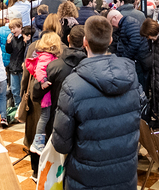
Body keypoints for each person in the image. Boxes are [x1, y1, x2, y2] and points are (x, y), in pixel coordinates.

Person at [51, 15, 141, 190]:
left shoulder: (72, 85)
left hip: (86, 177)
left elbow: (61, 143)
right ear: (110, 40)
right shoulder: (131, 77)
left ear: (85, 41)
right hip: (124, 175)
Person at [25, 31, 61, 153]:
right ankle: (37, 142)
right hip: (46, 94)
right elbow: (40, 70)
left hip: (47, 93)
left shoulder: (46, 55)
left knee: (46, 116)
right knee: (45, 117)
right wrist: (43, 81)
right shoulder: (46, 56)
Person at [107, 9, 151, 89]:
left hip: (139, 59)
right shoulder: (126, 23)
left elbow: (135, 42)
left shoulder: (129, 23)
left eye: (111, 22)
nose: (112, 26)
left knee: (140, 83)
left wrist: (125, 57)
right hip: (138, 58)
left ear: (114, 18)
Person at [6, 18, 26, 107]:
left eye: (14, 28)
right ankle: (17, 108)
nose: (12, 31)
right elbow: (9, 51)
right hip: (13, 68)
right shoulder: (12, 39)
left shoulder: (24, 39)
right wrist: (8, 43)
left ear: (20, 27)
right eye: (11, 29)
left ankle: (22, 108)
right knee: (14, 90)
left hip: (21, 69)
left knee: (22, 90)